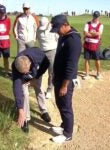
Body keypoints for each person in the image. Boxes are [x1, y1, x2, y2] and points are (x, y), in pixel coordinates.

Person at [50, 15, 82, 144]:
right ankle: (64, 125)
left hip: (66, 80)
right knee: (59, 102)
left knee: (65, 106)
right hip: (59, 77)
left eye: (58, 28)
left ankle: (68, 134)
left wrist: (64, 85)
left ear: (65, 25)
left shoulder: (73, 40)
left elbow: (71, 65)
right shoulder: (64, 36)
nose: (57, 31)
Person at [12, 47, 51, 132]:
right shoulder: (16, 66)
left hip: (36, 72)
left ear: (29, 64)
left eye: (26, 71)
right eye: (23, 73)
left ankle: (43, 110)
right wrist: (20, 109)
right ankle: (25, 118)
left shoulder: (38, 55)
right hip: (23, 78)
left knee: (39, 88)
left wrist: (36, 77)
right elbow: (17, 88)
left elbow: (46, 64)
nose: (26, 73)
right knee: (24, 93)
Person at [37, 16, 58, 99]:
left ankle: (49, 90)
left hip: (52, 51)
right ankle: (38, 87)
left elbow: (57, 39)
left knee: (51, 72)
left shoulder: (54, 30)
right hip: (42, 52)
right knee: (40, 71)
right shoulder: (38, 30)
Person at [83, 11, 104, 80]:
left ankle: (98, 73)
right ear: (93, 16)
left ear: (98, 17)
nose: (95, 18)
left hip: (96, 45)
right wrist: (93, 34)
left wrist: (90, 33)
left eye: (97, 17)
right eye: (94, 16)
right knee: (87, 59)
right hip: (87, 44)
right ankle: (87, 74)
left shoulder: (100, 25)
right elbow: (85, 33)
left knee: (97, 60)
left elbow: (99, 34)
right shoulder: (87, 23)